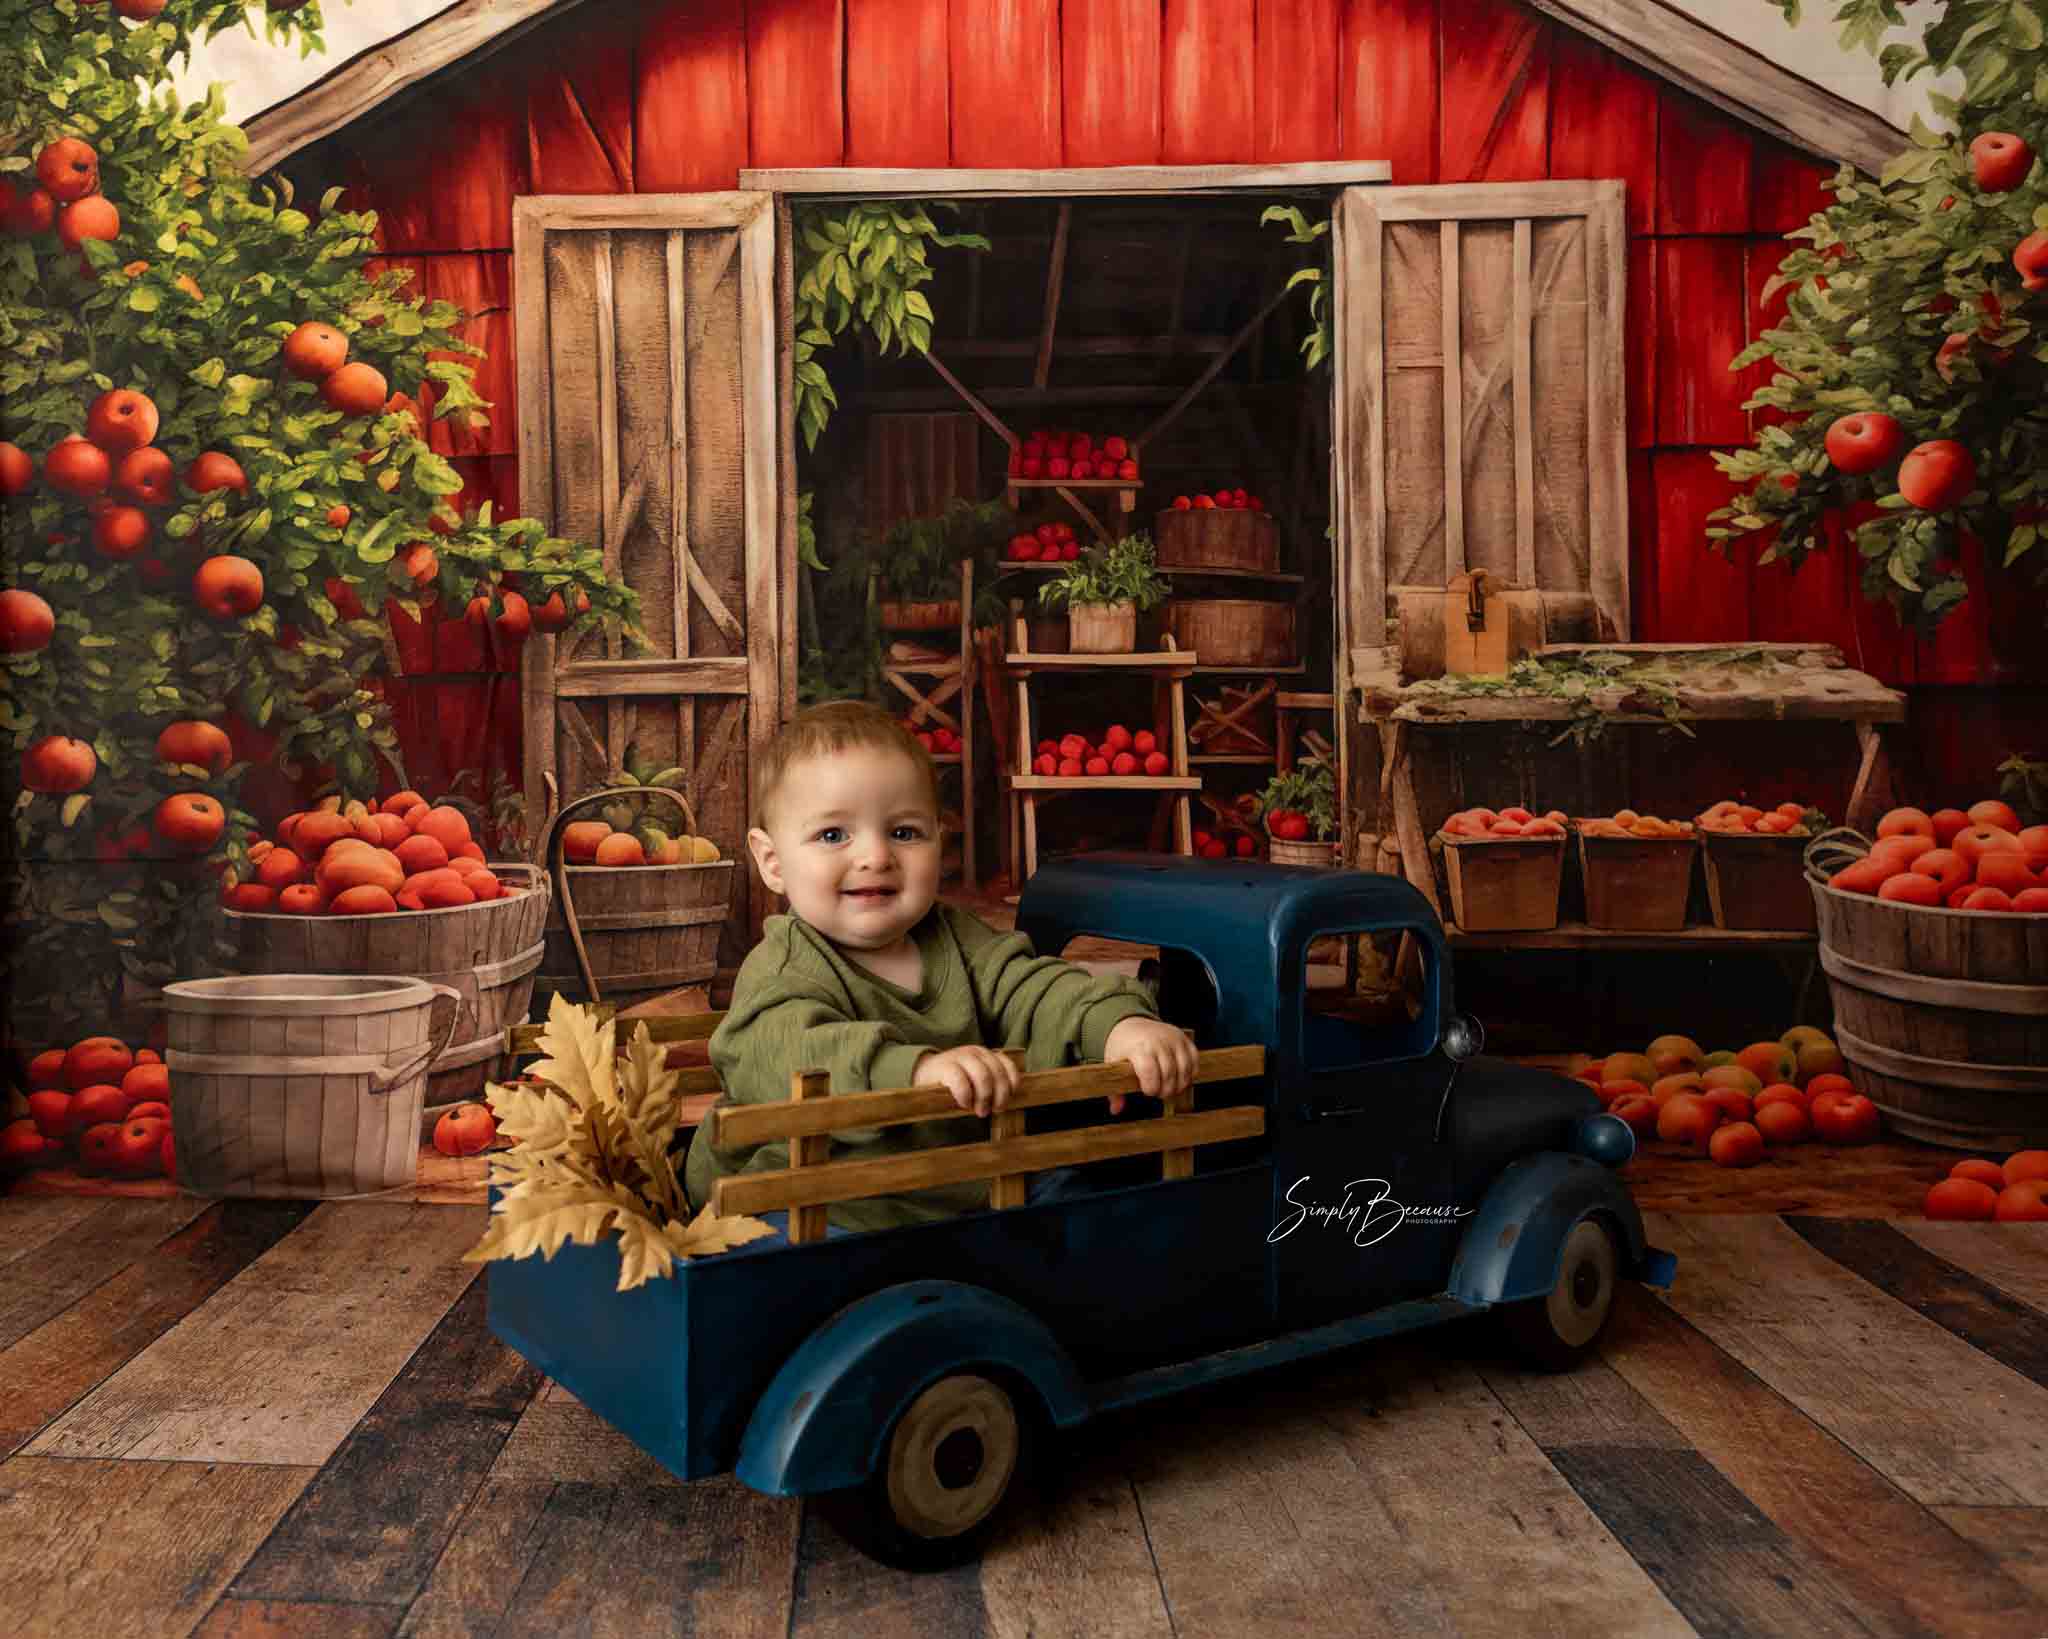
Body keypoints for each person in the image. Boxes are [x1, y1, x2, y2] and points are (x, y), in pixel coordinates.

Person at [683, 700, 1199, 1236]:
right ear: (772, 863)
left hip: (952, 1183)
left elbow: (1034, 988)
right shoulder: (783, 968)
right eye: (833, 835)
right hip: (816, 1199)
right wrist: (919, 1072)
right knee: (786, 1253)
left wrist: (1117, 1026)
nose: (876, 856)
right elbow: (796, 1054)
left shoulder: (957, 938)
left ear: (938, 841)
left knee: (1091, 1202)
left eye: (904, 832)